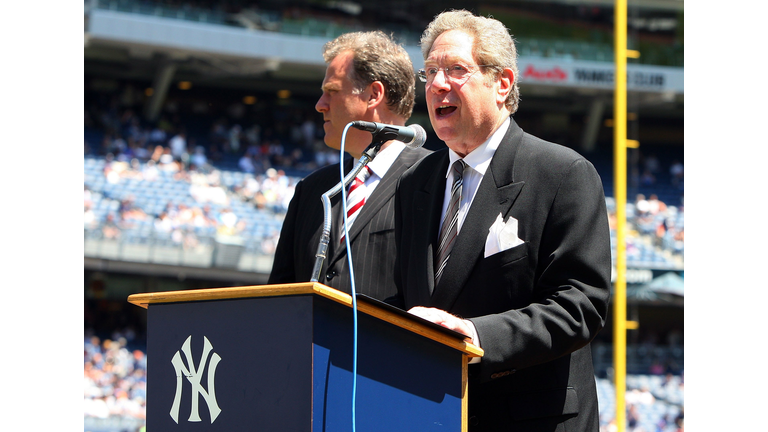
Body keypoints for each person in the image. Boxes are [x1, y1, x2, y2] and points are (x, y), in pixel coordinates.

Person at [389, 10, 611, 430]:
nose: (437, 85)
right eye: (431, 71)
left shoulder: (563, 173)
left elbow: (580, 305)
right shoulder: (414, 182)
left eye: (456, 70)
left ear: (502, 83)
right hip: (435, 414)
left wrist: (476, 336)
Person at [269, 30, 430, 299]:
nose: (320, 105)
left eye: (332, 92)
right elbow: (277, 297)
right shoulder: (310, 191)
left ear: (373, 95)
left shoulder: (433, 179)